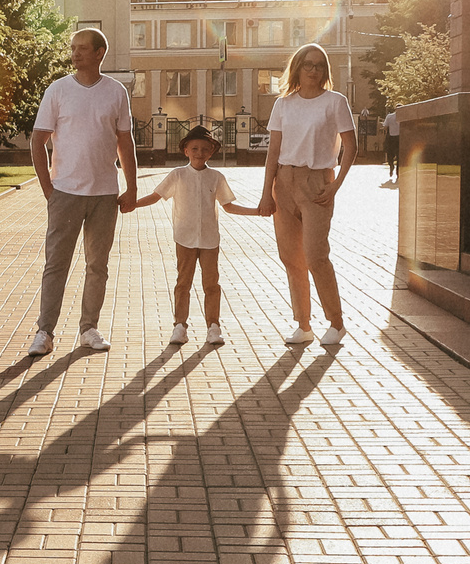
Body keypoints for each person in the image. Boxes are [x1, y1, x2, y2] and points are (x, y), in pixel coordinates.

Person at [27, 26, 137, 356]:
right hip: (65, 193)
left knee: (97, 266)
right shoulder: (58, 90)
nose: (75, 53)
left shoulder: (116, 92)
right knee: (56, 265)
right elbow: (38, 140)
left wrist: (132, 187)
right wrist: (49, 188)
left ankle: (89, 329)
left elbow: (125, 142)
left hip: (104, 194)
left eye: (82, 48)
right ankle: (44, 333)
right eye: (72, 48)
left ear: (99, 53)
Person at [132, 124, 268, 347]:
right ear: (186, 150)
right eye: (194, 148)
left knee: (211, 283)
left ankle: (213, 327)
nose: (199, 153)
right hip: (184, 238)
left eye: (205, 149)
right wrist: (132, 204)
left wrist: (257, 211)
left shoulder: (216, 177)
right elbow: (156, 196)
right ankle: (180, 326)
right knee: (183, 282)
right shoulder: (177, 175)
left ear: (211, 152)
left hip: (208, 240)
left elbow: (229, 206)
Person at [260, 43, 359, 347]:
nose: (314, 70)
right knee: (291, 257)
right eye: (308, 64)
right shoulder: (284, 104)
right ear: (298, 68)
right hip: (284, 182)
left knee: (316, 255)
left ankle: (337, 323)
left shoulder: (335, 102)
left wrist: (336, 185)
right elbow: (273, 151)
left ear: (325, 71)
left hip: (317, 183)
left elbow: (351, 146)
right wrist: (267, 193)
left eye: (319, 65)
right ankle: (303, 325)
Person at [383, 106, 402, 183]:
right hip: (399, 138)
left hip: (391, 137)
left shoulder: (389, 116)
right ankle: (398, 172)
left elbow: (385, 127)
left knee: (390, 154)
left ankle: (391, 165)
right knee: (399, 156)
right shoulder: (403, 117)